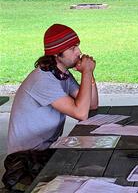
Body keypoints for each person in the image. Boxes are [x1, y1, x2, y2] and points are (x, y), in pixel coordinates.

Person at [2, 24, 99, 191]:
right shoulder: (43, 80)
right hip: (25, 160)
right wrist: (86, 72)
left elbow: (92, 104)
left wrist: (89, 74)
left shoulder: (61, 74)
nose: (79, 52)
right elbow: (81, 113)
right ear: (56, 54)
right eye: (73, 48)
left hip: (47, 151)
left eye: (77, 46)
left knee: (93, 161)